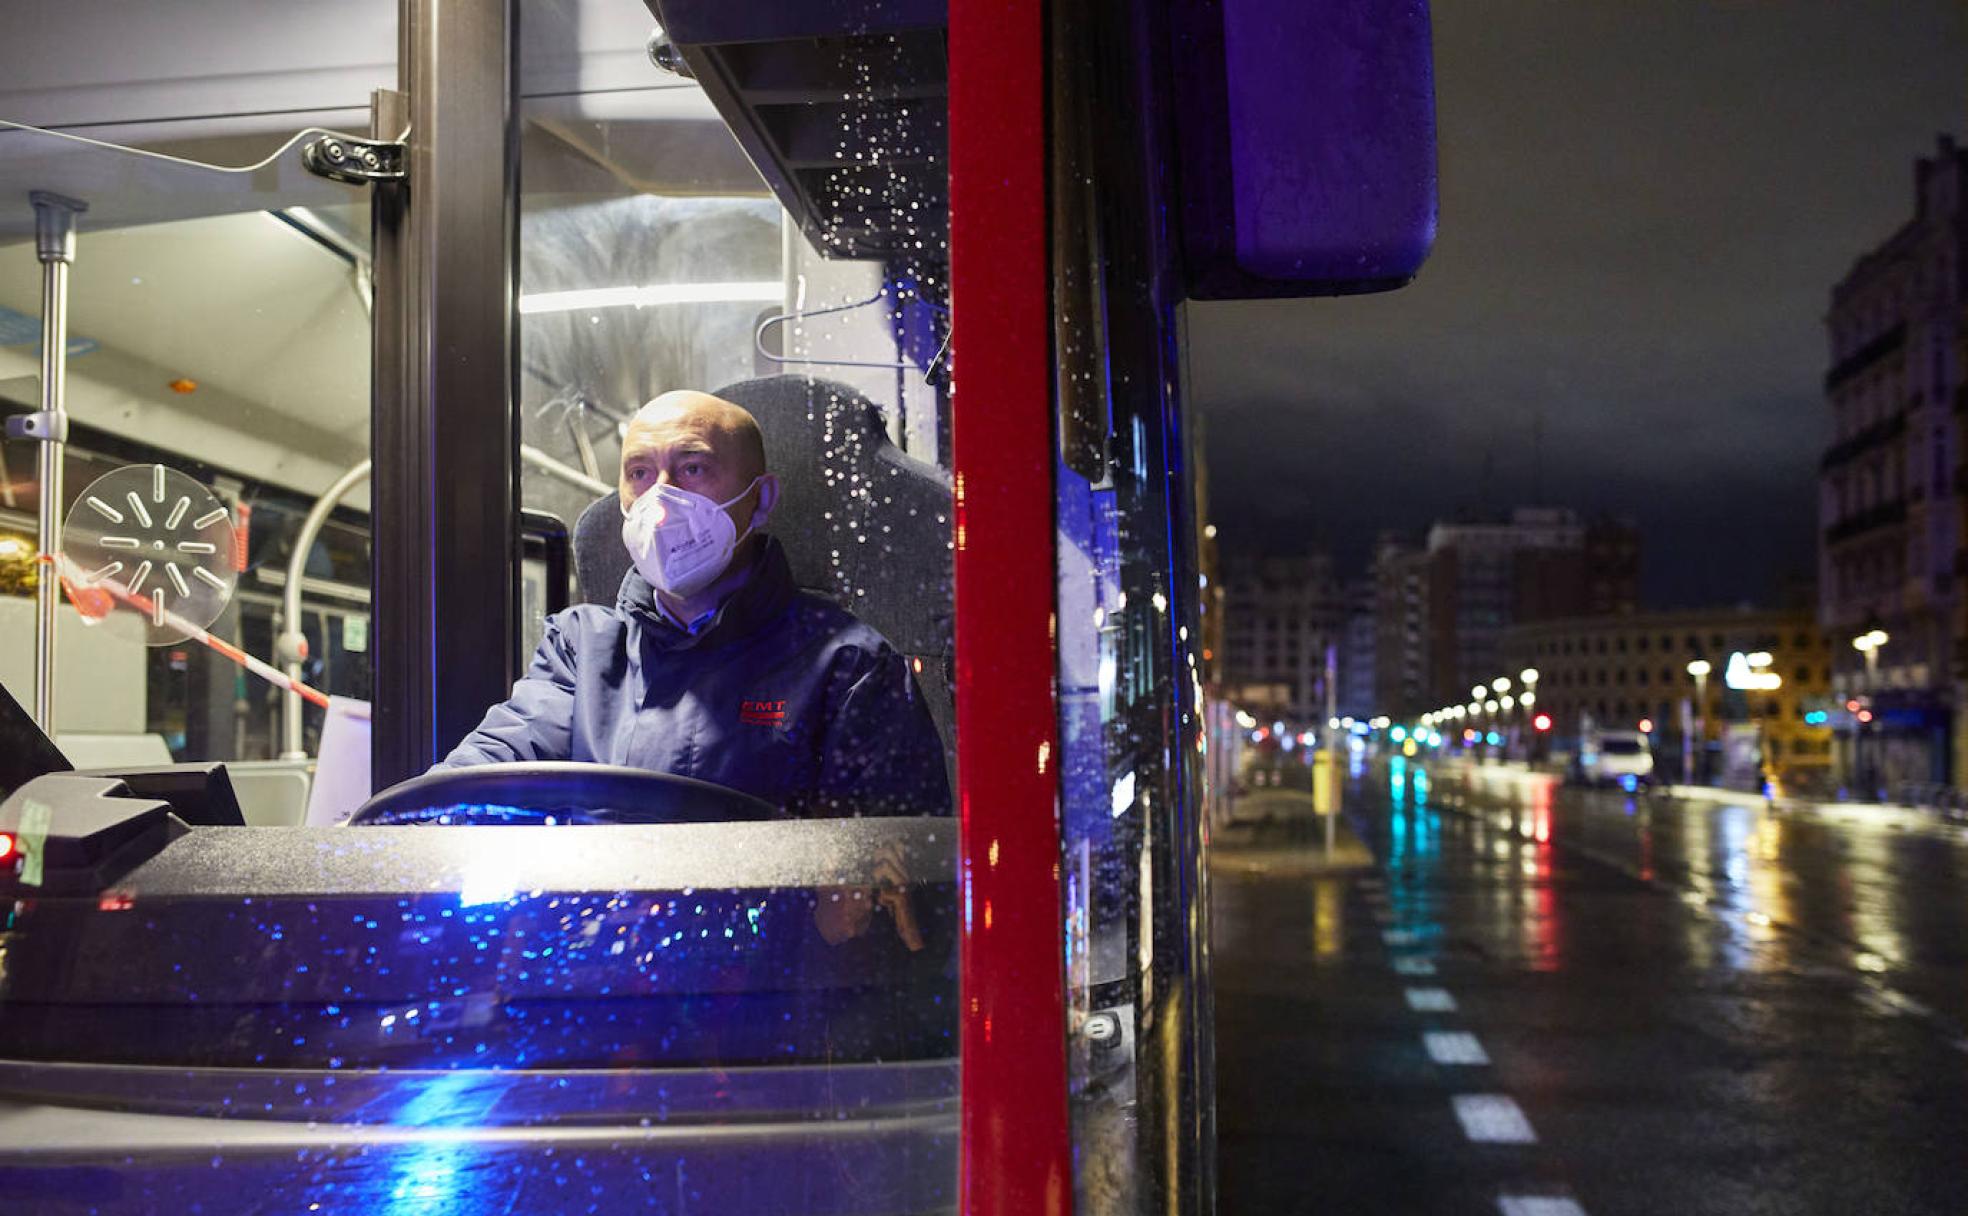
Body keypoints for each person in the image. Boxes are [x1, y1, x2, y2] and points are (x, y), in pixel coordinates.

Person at [436, 389, 950, 824]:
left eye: (693, 467)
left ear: (762, 498)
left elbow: (877, 878)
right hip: (594, 934)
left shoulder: (848, 664)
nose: (660, 500)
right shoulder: (582, 646)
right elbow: (498, 760)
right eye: (639, 472)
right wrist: (416, 823)